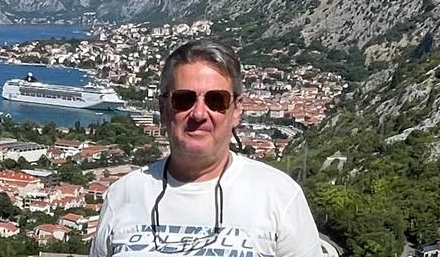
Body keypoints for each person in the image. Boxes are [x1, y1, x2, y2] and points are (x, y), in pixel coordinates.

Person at [90, 39, 321, 256]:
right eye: (183, 99)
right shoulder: (122, 195)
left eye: (216, 100)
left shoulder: (280, 196)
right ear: (163, 108)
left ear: (237, 110)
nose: (199, 113)